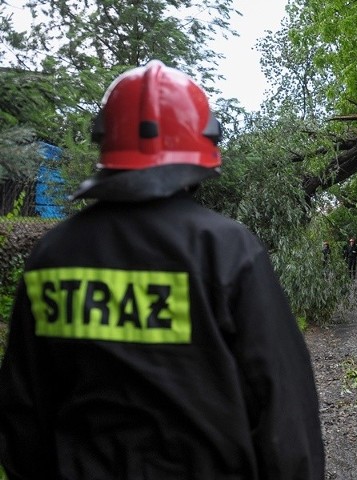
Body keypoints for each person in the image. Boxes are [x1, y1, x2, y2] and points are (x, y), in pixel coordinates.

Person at [0, 60, 324, 479]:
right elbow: (286, 416)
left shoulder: (52, 255)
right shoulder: (227, 252)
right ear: (200, 152)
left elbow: (20, 414)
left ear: (106, 144)